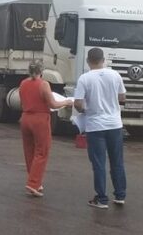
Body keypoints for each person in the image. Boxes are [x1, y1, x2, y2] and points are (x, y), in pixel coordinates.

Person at [73, 47, 127, 209]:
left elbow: (77, 103)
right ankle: (120, 195)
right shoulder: (115, 75)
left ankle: (102, 199)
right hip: (115, 124)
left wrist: (85, 110)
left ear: (89, 61)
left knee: (98, 163)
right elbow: (122, 98)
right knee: (117, 161)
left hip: (95, 126)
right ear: (103, 60)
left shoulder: (84, 78)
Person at [19, 61, 73, 197]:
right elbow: (53, 104)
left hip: (25, 118)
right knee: (42, 151)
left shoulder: (23, 83)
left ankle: (34, 180)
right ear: (41, 71)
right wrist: (67, 102)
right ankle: (33, 183)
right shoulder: (43, 84)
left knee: (29, 150)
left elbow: (22, 102)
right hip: (40, 119)